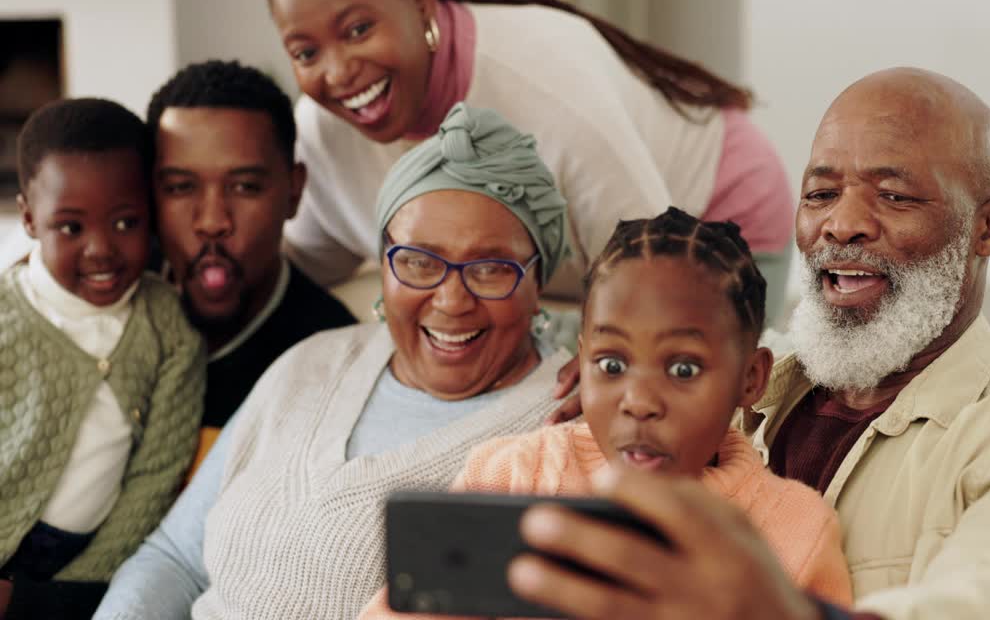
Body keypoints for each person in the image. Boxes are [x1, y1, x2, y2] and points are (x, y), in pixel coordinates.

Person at [495, 68, 990, 620]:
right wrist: (634, 373)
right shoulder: (741, 381)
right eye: (821, 194)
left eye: (894, 195)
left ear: (989, 229)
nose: (843, 224)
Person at [92, 103, 574, 620]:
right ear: (385, 264)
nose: (451, 300)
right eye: (417, 261)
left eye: (491, 269)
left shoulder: (567, 426)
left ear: (537, 279)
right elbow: (175, 559)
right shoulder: (313, 360)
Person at [259, 0, 794, 324]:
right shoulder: (324, 134)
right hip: (570, 282)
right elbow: (298, 274)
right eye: (306, 52)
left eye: (358, 30)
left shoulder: (544, 84)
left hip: (711, 223)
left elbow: (655, 283)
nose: (337, 72)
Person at [359, 208, 852, 619]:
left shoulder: (797, 528)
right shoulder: (511, 476)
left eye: (683, 369)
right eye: (612, 364)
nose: (638, 401)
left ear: (751, 378)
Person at [0, 100, 205, 618]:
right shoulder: (6, 316)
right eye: (70, 228)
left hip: (86, 569)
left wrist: (72, 591)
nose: (100, 250)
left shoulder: (168, 331)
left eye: (125, 222)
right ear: (28, 217)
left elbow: (155, 475)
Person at [145, 60, 356, 467]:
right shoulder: (106, 298)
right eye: (179, 188)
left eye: (244, 187)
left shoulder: (330, 355)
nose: (212, 222)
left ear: (293, 191)